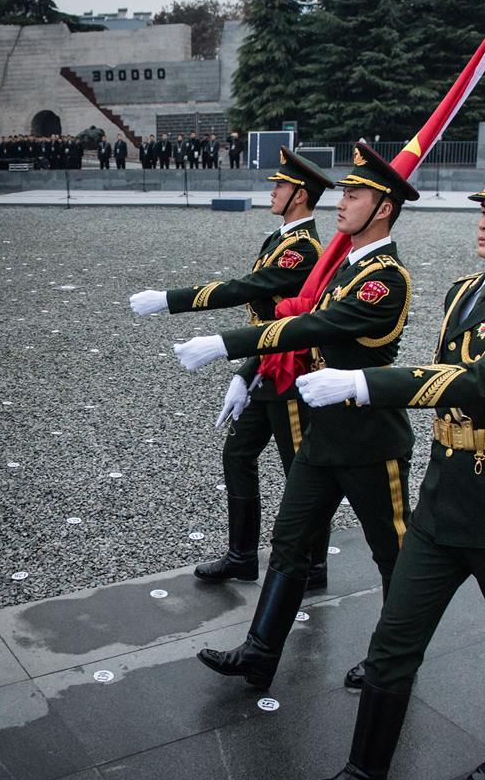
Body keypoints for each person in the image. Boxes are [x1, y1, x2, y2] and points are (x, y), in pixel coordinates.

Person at [292, 145, 485, 780]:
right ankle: (363, 779)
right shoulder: (463, 291)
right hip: (444, 495)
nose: (484, 219)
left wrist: (365, 382)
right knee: (393, 642)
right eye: (484, 206)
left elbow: (480, 381)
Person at [172, 142, 418, 691]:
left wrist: (224, 342)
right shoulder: (344, 269)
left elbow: (309, 328)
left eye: (355, 194)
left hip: (369, 439)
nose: (343, 201)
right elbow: (299, 321)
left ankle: (394, 657)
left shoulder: (385, 278)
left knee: (393, 554)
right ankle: (260, 651)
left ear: (383, 208)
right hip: (324, 434)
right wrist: (249, 371)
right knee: (289, 543)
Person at [129, 148, 337, 593]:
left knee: (299, 471)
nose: (274, 191)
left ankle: (313, 564)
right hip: (266, 364)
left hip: (292, 374)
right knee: (237, 455)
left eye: (281, 186)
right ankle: (242, 556)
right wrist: (245, 373)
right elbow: (263, 321)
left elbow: (248, 289)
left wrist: (172, 300)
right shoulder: (281, 238)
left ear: (300, 195)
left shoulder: (303, 248)